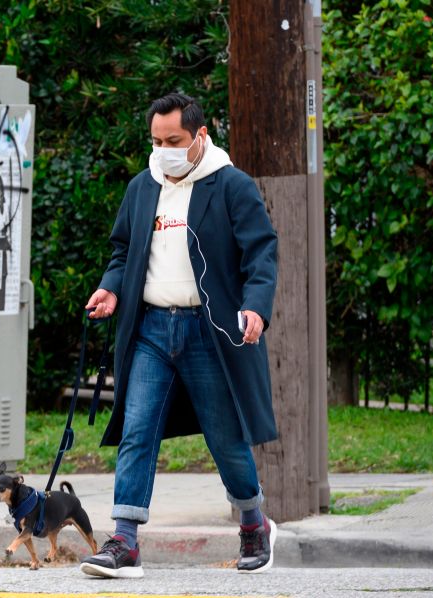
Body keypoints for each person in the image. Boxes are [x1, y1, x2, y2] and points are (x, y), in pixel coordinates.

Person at [79, 93, 279, 578]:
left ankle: (254, 523)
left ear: (201, 136)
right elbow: (124, 252)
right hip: (150, 328)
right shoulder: (141, 188)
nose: (165, 150)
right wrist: (110, 288)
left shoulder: (230, 185)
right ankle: (124, 541)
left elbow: (261, 252)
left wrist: (255, 307)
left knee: (226, 437)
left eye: (175, 141)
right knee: (137, 430)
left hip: (206, 331)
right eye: (156, 140)